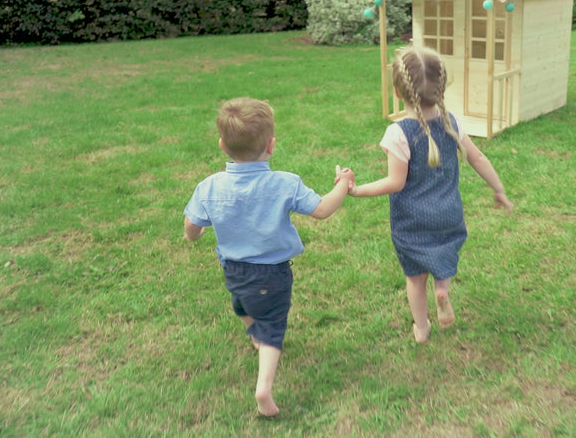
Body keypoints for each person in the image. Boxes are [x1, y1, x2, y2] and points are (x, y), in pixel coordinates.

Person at [182, 97, 354, 417]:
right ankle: (264, 388)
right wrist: (343, 184)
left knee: (241, 304)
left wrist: (194, 235)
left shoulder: (209, 187)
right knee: (274, 326)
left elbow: (192, 224)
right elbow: (323, 210)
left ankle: (256, 335)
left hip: (233, 270)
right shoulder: (284, 183)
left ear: (222, 145)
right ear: (271, 145)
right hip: (272, 274)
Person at [348, 46, 513, 343]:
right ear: (441, 88)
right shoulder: (452, 123)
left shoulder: (398, 133)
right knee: (444, 253)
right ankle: (442, 290)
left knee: (414, 277)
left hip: (411, 221)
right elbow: (477, 158)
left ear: (398, 93)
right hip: (448, 213)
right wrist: (498, 188)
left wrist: (357, 190)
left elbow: (395, 183)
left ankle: (422, 327)